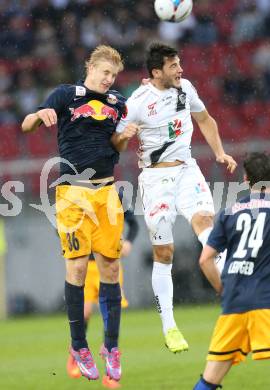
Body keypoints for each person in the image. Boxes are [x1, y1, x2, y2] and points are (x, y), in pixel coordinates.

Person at [21, 45, 138, 382]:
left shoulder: (117, 104)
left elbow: (113, 146)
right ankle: (79, 345)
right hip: (73, 192)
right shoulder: (65, 95)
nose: (109, 79)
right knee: (75, 265)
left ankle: (111, 347)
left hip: (106, 192)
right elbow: (28, 123)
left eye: (114, 75)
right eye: (105, 72)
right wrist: (38, 117)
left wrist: (124, 138)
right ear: (91, 67)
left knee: (111, 268)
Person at [115, 42, 237, 354]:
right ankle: (169, 325)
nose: (180, 70)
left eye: (179, 63)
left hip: (187, 171)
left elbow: (206, 120)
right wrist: (122, 139)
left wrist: (220, 153)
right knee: (164, 252)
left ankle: (237, 295)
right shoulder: (139, 101)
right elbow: (115, 142)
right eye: (173, 66)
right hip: (155, 179)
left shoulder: (186, 89)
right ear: (156, 72)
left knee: (206, 224)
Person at [193, 152, 270, 389]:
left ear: (246, 178)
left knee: (210, 379)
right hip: (266, 301)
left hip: (233, 303)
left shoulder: (229, 212)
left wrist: (221, 288)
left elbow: (205, 259)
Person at [67, 196, 139, 389]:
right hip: (86, 266)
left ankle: (110, 371)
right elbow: (60, 226)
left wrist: (129, 242)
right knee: (85, 312)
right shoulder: (77, 195)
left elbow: (133, 223)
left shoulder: (115, 195)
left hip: (109, 264)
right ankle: (77, 351)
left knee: (111, 314)